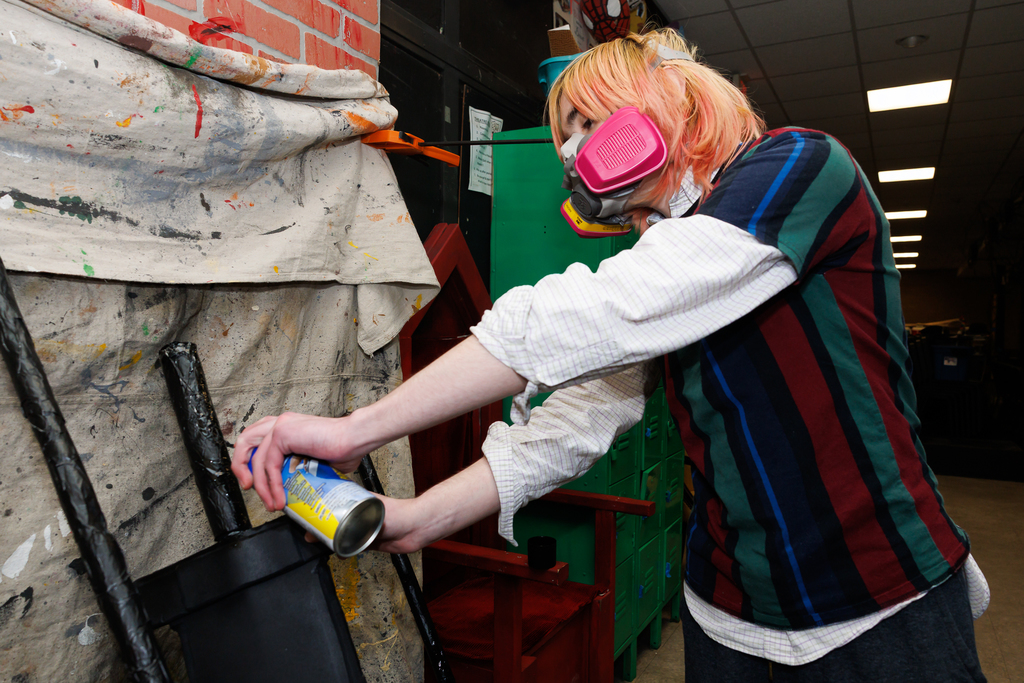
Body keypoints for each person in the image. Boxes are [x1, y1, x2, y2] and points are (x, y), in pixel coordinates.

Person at [232, 29, 989, 682]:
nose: (576, 151)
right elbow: (574, 422)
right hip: (729, 612)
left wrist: (353, 430)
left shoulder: (800, 170)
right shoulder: (665, 247)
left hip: (879, 598)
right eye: (567, 138)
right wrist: (418, 517)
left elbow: (608, 309)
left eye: (589, 122)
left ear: (663, 101)